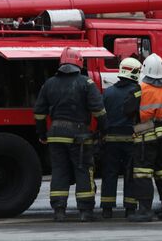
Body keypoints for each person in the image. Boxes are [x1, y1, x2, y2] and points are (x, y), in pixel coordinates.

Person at [34, 47, 106, 222]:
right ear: (79, 62)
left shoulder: (49, 83)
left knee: (59, 171)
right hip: (79, 135)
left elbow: (39, 113)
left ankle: (59, 211)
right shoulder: (86, 83)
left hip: (55, 135)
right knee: (82, 170)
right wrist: (102, 131)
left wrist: (42, 133)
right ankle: (85, 211)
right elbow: (99, 110)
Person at [128, 53, 162, 222]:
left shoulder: (140, 88)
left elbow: (127, 110)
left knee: (143, 173)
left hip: (145, 134)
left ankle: (145, 211)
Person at [100, 57, 142, 219]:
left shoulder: (108, 92)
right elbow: (140, 116)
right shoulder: (137, 91)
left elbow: (102, 116)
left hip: (110, 140)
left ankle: (107, 209)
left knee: (109, 173)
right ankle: (130, 208)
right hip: (130, 139)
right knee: (130, 174)